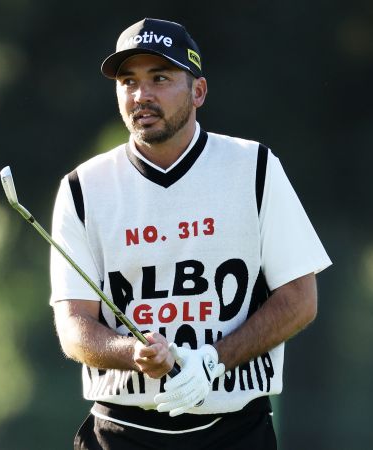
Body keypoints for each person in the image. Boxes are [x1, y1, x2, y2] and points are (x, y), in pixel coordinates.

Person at [49, 17, 331, 450]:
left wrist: (214, 359)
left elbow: (300, 300)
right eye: (128, 81)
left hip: (237, 430)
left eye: (160, 78)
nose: (142, 95)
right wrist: (136, 355)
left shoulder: (253, 168)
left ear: (198, 91)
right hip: (121, 433)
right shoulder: (82, 188)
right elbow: (73, 327)